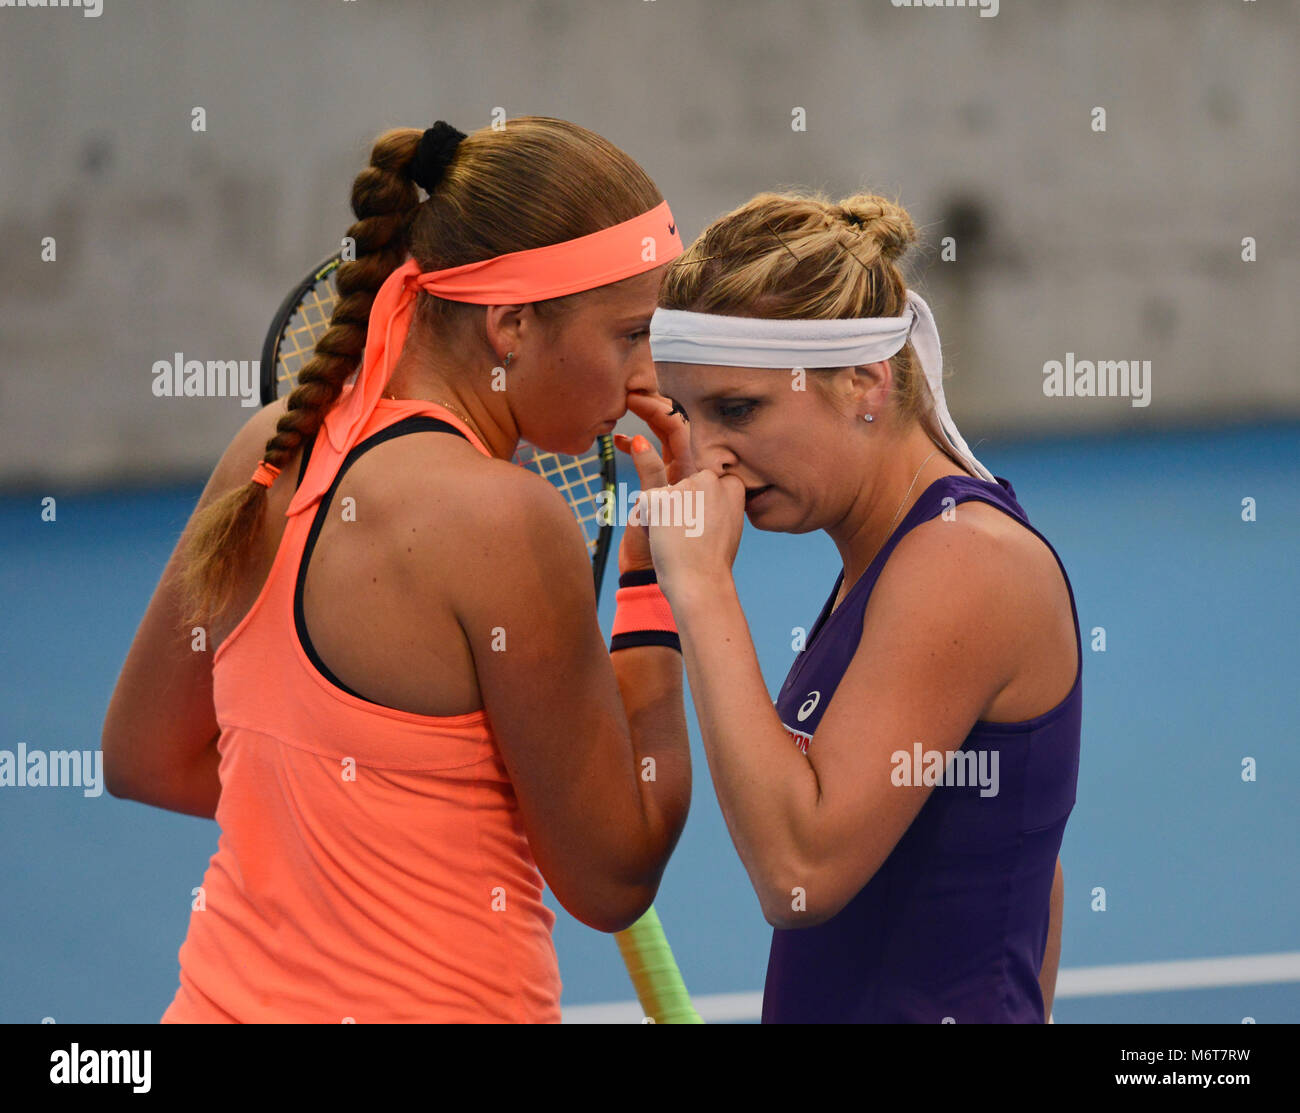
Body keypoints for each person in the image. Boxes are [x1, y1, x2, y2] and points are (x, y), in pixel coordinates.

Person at [101, 118, 693, 1023]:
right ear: (511, 324)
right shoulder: (508, 522)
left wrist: (374, 811)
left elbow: (145, 756)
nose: (649, 378)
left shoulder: (267, 451)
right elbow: (615, 876)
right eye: (630, 335)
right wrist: (660, 583)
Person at [635, 189, 1080, 1022]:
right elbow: (1034, 866)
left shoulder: (961, 561)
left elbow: (797, 873)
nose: (706, 457)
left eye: (738, 409)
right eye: (686, 413)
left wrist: (701, 587)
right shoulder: (897, 553)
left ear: (863, 383)